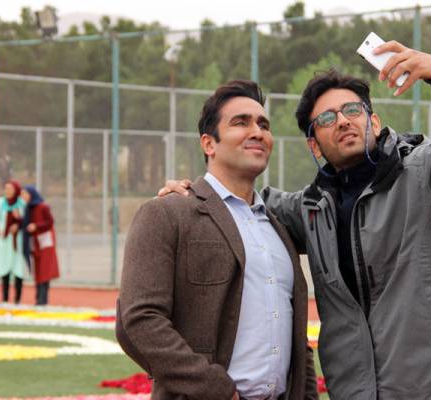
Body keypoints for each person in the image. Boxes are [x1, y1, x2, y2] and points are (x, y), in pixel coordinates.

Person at [159, 42, 431, 398]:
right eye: (326, 118)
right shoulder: (309, 210)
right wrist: (194, 192)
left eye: (352, 110)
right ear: (314, 145)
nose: (343, 121)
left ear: (374, 122)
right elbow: (242, 204)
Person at [116, 80, 318, 400]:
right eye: (241, 122)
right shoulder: (167, 213)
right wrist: (216, 390)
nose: (257, 131)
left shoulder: (278, 228)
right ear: (209, 144)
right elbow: (139, 321)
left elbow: (295, 337)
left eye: (263, 124)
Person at [20, 185, 60, 306]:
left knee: (44, 270)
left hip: (45, 242)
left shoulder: (43, 207)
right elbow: (25, 223)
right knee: (37, 270)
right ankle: (38, 298)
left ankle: (43, 299)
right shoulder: (28, 208)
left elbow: (50, 222)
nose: (23, 196)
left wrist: (36, 226)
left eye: (25, 194)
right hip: (35, 242)